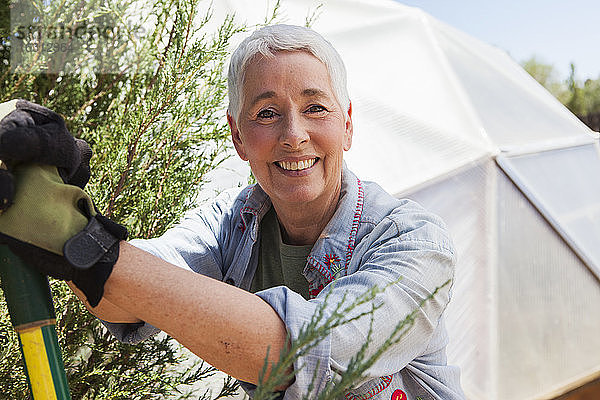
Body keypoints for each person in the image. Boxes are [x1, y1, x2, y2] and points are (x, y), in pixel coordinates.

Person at [0, 24, 465, 399]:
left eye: (315, 108)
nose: (294, 134)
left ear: (346, 125)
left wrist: (81, 240)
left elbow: (301, 355)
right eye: (266, 113)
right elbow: (126, 297)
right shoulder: (230, 222)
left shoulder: (414, 242)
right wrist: (56, 203)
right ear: (237, 136)